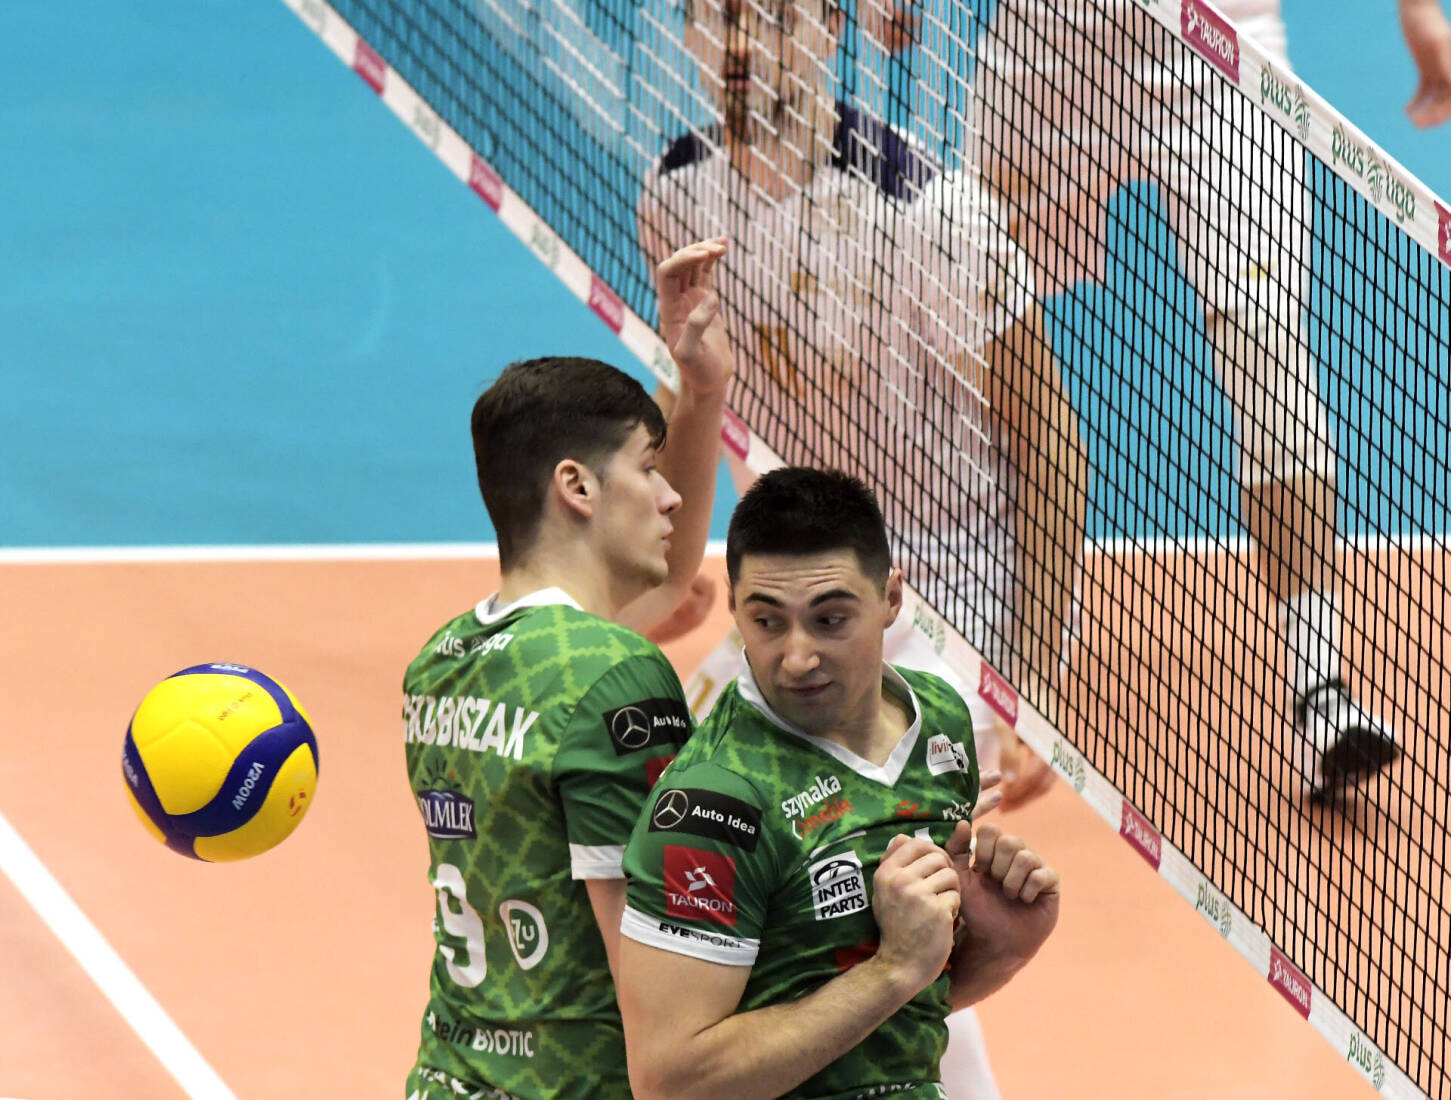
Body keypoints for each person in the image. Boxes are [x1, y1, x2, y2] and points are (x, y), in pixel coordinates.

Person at [964, 0, 1451, 797]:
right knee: (977, 312)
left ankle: (1318, 687)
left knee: (1266, 352)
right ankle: (1004, 633)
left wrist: (1419, 11)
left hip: (1218, 39)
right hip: (1047, 42)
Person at [637, 0, 1085, 814]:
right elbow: (688, 388)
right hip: (795, 581)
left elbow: (1047, 435)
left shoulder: (933, 214)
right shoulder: (675, 191)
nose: (741, 42)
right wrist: (647, 571)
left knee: (828, 819)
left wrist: (1028, 690)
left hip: (953, 589)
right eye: (717, 15)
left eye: (775, 17)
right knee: (660, 799)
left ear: (832, 27)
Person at [401, 239, 734, 1099]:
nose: (668, 496)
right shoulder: (613, 673)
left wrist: (700, 390)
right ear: (577, 488)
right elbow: (659, 984)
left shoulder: (440, 662)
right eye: (647, 469)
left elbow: (669, 573)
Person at [617, 467, 1061, 1099]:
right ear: (735, 606)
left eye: (829, 620)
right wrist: (892, 969)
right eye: (767, 622)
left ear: (891, 599)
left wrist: (1006, 945)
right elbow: (672, 1085)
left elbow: (914, 1002)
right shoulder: (714, 805)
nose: (798, 658)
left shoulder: (939, 720)